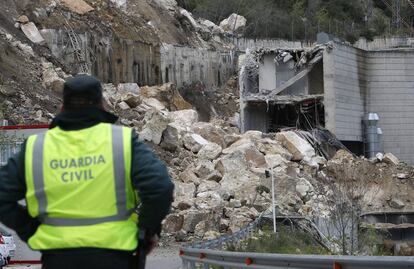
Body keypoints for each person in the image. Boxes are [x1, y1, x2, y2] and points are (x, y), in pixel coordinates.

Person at [0, 75, 174, 269]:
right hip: (114, 258)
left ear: (63, 107)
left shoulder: (37, 147)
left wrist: (31, 229)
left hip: (58, 260)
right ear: (102, 105)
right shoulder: (121, 142)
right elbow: (160, 188)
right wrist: (147, 230)